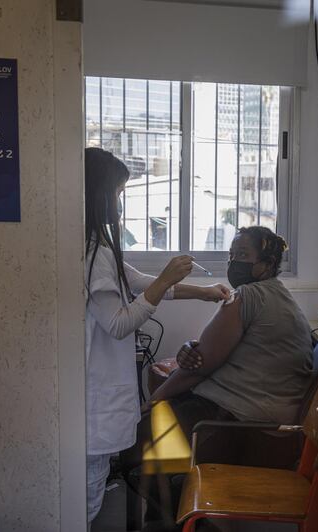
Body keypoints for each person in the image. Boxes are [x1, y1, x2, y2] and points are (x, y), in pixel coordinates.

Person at [124, 225, 313, 525]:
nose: (233, 262)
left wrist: (152, 400)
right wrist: (191, 349)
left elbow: (199, 367)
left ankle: (189, 517)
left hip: (238, 422)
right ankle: (180, 510)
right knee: (148, 455)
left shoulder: (248, 296)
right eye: (231, 254)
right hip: (244, 412)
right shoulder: (276, 295)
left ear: (265, 265)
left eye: (243, 255)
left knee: (129, 442)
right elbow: (208, 352)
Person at [84, 147, 230, 525]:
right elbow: (118, 323)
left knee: (91, 490)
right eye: (117, 193)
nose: (120, 202)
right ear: (97, 195)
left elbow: (143, 285)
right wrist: (166, 279)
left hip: (98, 396)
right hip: (93, 395)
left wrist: (204, 290)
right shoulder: (91, 255)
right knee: (85, 497)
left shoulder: (101, 249)